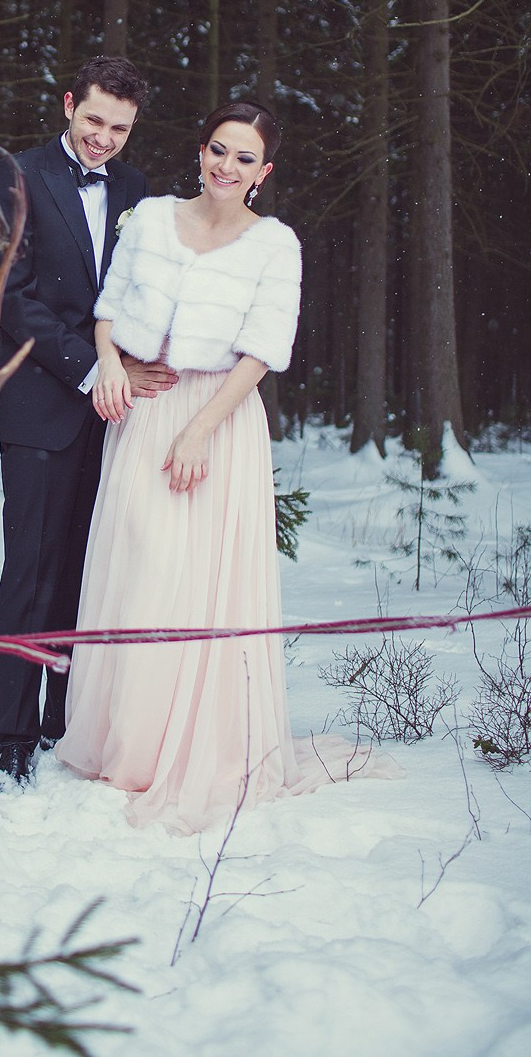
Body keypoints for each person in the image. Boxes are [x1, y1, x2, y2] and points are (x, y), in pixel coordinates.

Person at [58, 100, 368, 833]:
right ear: (200, 151)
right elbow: (107, 311)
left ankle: (201, 744)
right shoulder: (154, 219)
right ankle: (126, 742)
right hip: (144, 409)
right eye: (218, 151)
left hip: (220, 422)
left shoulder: (275, 246)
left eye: (244, 158)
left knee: (200, 583)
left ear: (265, 172)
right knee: (140, 571)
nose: (227, 167)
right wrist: (110, 366)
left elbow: (263, 350)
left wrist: (199, 431)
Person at [0, 57, 177, 790]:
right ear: (69, 105)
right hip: (41, 403)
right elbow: (15, 296)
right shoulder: (15, 177)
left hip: (115, 413)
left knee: (88, 574)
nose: (102, 140)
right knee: (30, 573)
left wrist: (148, 361)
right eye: (93, 120)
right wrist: (95, 370)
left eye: (119, 128)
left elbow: (139, 290)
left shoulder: (135, 190)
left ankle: (67, 717)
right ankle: (13, 737)